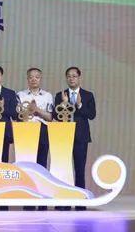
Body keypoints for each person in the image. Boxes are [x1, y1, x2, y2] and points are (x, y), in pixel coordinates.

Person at [52, 66, 96, 211]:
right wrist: (64, 104)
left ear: (79, 78)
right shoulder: (60, 95)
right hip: (63, 136)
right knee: (63, 170)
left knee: (79, 169)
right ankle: (63, 202)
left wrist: (79, 104)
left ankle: (80, 202)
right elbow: (55, 116)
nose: (71, 79)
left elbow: (91, 115)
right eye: (69, 76)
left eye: (74, 76)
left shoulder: (88, 95)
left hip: (80, 136)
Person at [16, 68, 53, 211]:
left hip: (42, 130)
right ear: (27, 79)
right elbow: (18, 115)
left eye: (37, 77)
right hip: (26, 130)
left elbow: (49, 117)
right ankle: (28, 201)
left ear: (40, 79)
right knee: (27, 167)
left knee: (41, 166)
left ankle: (42, 201)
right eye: (31, 77)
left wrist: (37, 109)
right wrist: (29, 110)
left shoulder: (47, 96)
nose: (34, 79)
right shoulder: (20, 95)